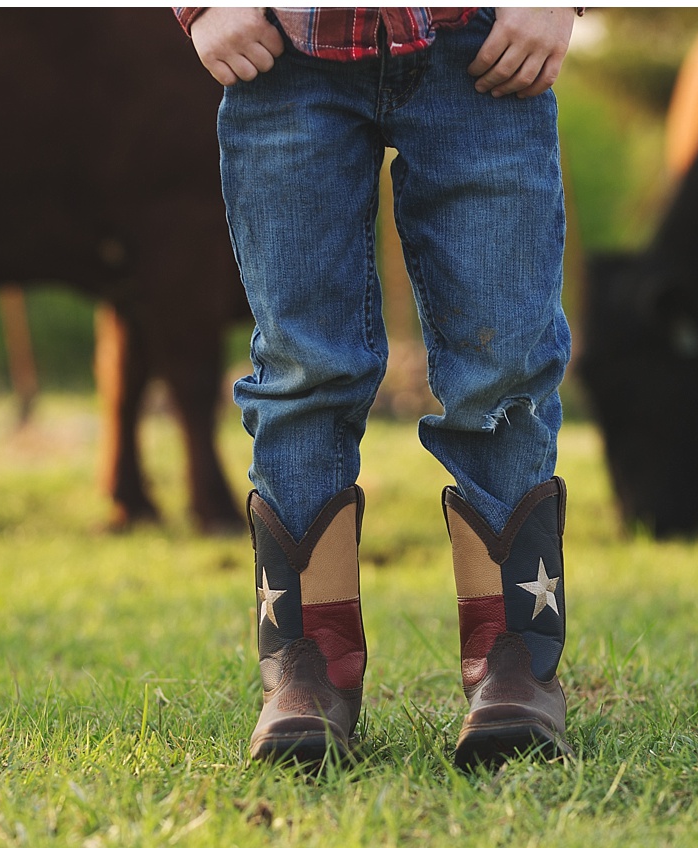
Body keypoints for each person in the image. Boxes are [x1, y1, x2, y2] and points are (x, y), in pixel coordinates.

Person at [176, 6, 578, 768]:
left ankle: (514, 661)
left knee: (504, 367)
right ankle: (308, 670)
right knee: (302, 372)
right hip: (282, 51)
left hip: (487, 45)